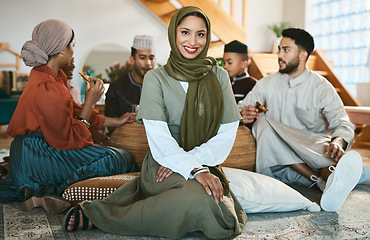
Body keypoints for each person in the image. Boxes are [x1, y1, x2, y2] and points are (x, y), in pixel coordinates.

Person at [64, 6, 247, 238]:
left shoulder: (218, 75)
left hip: (203, 162)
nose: (193, 41)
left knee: (217, 208)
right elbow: (159, 137)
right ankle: (102, 217)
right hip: (162, 165)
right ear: (173, 34)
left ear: (207, 37)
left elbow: (226, 131)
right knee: (201, 198)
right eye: (185, 32)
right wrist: (189, 166)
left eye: (200, 34)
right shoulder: (156, 78)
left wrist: (194, 164)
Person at [0, 19, 139, 209]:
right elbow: (67, 140)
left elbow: (75, 113)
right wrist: (90, 101)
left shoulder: (48, 77)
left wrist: (117, 121)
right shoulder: (47, 86)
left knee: (114, 153)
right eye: (72, 46)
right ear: (61, 50)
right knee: (120, 158)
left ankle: (45, 187)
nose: (73, 51)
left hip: (30, 152)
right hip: (37, 156)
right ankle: (56, 191)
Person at [238, 28, 367, 212]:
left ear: (303, 54)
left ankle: (329, 179)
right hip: (279, 162)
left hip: (312, 151)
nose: (279, 55)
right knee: (262, 123)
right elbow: (240, 107)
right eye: (279, 49)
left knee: (330, 151)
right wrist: (243, 113)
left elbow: (342, 122)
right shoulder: (267, 83)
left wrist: (338, 141)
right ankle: (326, 178)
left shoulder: (321, 87)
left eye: (286, 50)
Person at [104, 35, 155, 123]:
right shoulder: (116, 88)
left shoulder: (160, 87)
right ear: (132, 60)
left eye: (151, 58)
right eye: (142, 58)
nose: (148, 63)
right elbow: (110, 125)